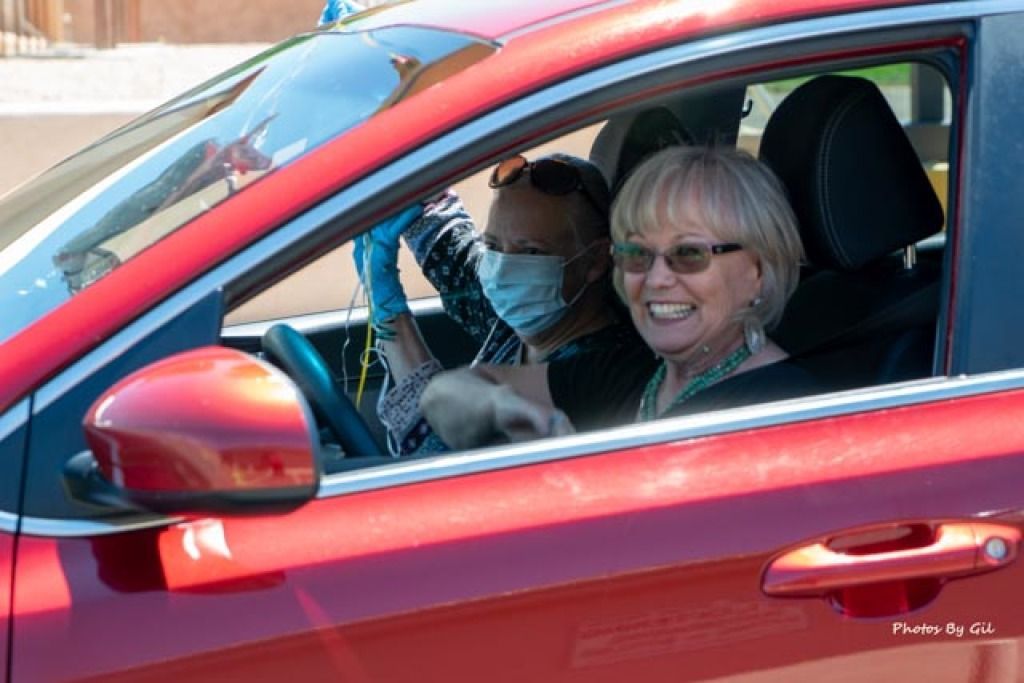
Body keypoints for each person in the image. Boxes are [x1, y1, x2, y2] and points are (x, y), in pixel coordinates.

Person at [420, 145, 821, 449]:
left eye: (689, 253)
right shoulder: (632, 373)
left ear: (757, 271)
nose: (656, 278)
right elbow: (442, 394)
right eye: (637, 253)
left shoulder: (781, 412)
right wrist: (501, 406)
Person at [355, 153, 637, 455]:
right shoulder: (526, 317)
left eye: (530, 252)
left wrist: (390, 312)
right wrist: (416, 182)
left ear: (595, 259)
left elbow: (440, 459)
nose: (502, 269)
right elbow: (449, 247)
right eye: (491, 245)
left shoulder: (598, 376)